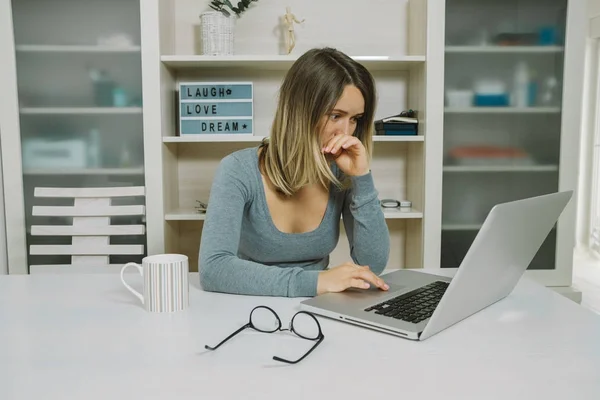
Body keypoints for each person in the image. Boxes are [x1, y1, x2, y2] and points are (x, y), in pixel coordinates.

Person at [199, 47, 391, 297]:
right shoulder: (238, 169)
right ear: (301, 111)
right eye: (335, 116)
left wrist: (361, 178)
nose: (345, 132)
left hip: (321, 304)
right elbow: (214, 269)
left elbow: (372, 266)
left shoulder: (341, 172)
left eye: (355, 119)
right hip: (248, 303)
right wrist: (315, 282)